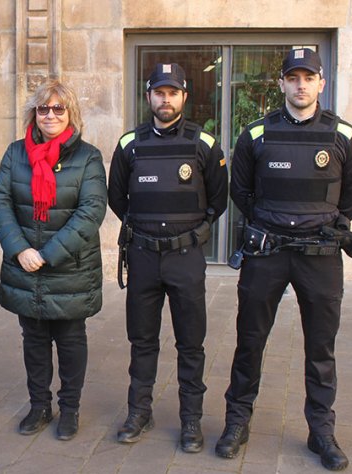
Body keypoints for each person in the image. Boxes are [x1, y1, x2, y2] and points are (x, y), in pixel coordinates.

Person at [216, 48, 352, 471]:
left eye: (309, 77)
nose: (301, 85)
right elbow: (241, 192)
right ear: (281, 83)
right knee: (250, 340)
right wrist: (274, 223)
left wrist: (320, 224)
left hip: (320, 256)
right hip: (267, 252)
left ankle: (322, 430)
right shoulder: (255, 136)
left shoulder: (344, 137)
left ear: (321, 83)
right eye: (293, 77)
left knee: (321, 348)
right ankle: (237, 421)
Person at [107, 63, 228, 452]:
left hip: (185, 257)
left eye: (172, 92)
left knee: (191, 343)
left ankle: (191, 419)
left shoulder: (204, 144)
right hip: (142, 256)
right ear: (148, 97)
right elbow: (116, 198)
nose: (165, 99)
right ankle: (139, 411)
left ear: (183, 97)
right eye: (159, 92)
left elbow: (219, 199)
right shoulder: (129, 145)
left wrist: (191, 232)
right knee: (142, 340)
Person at [0, 80, 107, 441]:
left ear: (70, 113)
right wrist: (20, 250)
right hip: (26, 265)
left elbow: (91, 211)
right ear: (34, 114)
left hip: (69, 267)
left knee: (71, 340)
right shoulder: (15, 154)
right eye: (44, 108)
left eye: (59, 108)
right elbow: (1, 202)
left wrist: (48, 254)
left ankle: (69, 409)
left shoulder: (87, 157)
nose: (51, 115)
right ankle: (39, 405)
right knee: (34, 340)